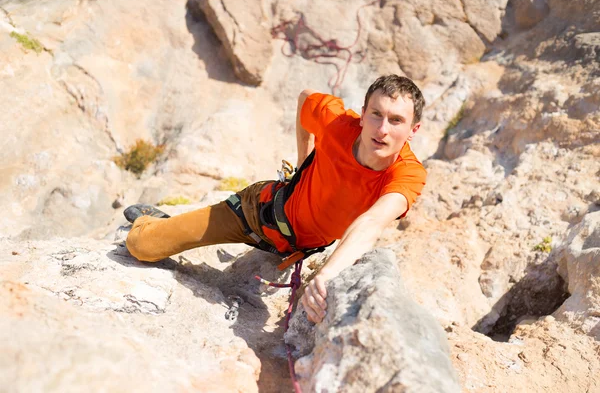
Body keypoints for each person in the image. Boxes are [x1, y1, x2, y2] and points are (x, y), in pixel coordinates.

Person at [125, 74, 427, 323]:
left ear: (413, 130)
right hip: (256, 214)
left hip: (302, 247)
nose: (383, 129)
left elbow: (373, 221)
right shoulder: (337, 125)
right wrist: (303, 162)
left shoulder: (407, 174)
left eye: (396, 120)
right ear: (363, 114)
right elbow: (306, 96)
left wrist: (327, 275)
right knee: (143, 246)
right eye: (376, 114)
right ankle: (152, 223)